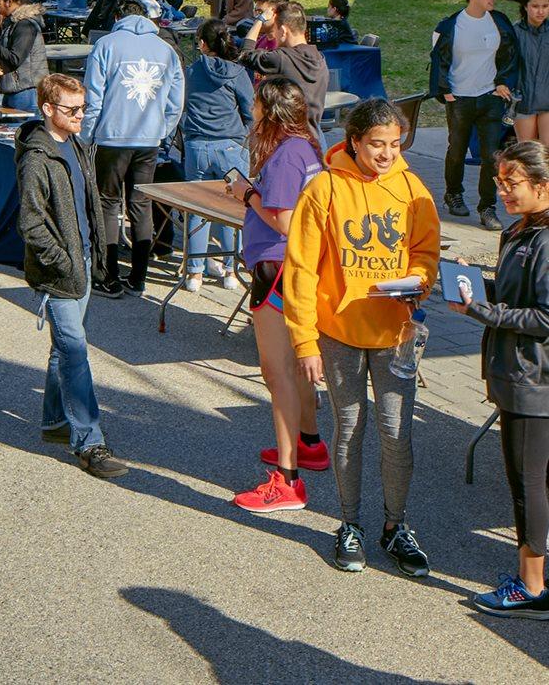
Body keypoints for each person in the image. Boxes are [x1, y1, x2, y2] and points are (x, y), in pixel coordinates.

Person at [284, 97, 439, 576]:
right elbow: (301, 270)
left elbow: (425, 251)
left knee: (397, 434)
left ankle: (396, 527)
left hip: (395, 334)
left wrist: (418, 280)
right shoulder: (324, 189)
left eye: (395, 144)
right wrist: (305, 342)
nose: (387, 154)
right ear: (354, 142)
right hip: (339, 333)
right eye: (377, 144)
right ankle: (349, 524)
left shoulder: (413, 189)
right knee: (349, 430)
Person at [449, 140, 549, 617]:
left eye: (512, 184)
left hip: (535, 384)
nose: (503, 191)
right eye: (499, 182)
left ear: (543, 187)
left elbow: (546, 317)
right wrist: (475, 289)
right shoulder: (522, 229)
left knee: (527, 483)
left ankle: (532, 588)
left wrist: (484, 310)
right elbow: (514, 296)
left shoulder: (546, 241)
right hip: (519, 375)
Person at [17, 72, 129, 480]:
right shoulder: (37, 158)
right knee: (76, 353)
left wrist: (92, 255)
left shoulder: (77, 145)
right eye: (72, 109)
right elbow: (30, 223)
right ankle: (90, 441)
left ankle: (54, 423)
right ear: (48, 109)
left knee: (62, 350)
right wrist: (63, 261)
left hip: (81, 261)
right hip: (60, 271)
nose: (81, 115)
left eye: (83, 108)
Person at [223, 80, 328, 513]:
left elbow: (285, 222)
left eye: (255, 102)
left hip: (278, 266)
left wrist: (246, 194)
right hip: (294, 267)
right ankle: (309, 443)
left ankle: (287, 480)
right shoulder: (307, 145)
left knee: (276, 370)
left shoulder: (285, 154)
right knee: (295, 364)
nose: (250, 107)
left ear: (269, 111)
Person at [83, 0, 185, 297]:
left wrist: (88, 136)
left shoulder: (107, 45)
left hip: (112, 138)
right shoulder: (165, 50)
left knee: (108, 204)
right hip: (148, 139)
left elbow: (93, 97)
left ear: (118, 16)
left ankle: (108, 275)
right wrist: (161, 131)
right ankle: (138, 277)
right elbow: (176, 102)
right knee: (140, 206)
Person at [430, 0, 520, 230]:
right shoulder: (450, 25)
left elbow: (510, 56)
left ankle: (487, 207)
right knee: (456, 150)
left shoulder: (499, 22)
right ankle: (453, 193)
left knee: (491, 156)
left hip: (489, 98)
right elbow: (438, 58)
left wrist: (503, 82)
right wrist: (444, 90)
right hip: (459, 98)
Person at [181, 20, 254, 292]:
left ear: (202, 43)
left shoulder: (191, 71)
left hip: (198, 146)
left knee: (197, 210)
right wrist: (240, 137)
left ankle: (194, 273)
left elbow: (183, 105)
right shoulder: (237, 73)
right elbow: (250, 110)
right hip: (231, 148)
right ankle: (230, 269)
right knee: (231, 206)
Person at [240, 1, 329, 138]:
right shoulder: (320, 59)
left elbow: (245, 54)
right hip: (314, 137)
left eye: (275, 30)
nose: (274, 36)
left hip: (286, 140)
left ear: (283, 31)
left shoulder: (281, 59)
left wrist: (260, 20)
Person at [513, 0, 549, 144]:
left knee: (547, 153)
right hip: (523, 101)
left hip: (547, 100)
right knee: (527, 151)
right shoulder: (514, 32)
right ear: (525, 7)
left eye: (545, 6)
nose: (540, 11)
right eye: (535, 6)